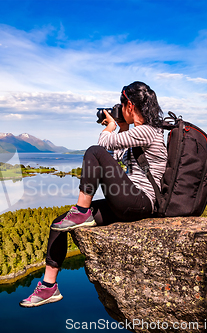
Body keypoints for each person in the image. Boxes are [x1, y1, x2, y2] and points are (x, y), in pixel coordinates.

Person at [19, 81, 167, 308]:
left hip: (142, 202)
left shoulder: (149, 131)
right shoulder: (138, 133)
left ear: (129, 104)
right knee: (59, 223)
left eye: (121, 104)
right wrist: (121, 127)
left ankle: (82, 210)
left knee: (93, 151)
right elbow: (114, 158)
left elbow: (102, 145)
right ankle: (49, 287)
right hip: (129, 200)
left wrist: (110, 127)